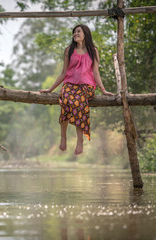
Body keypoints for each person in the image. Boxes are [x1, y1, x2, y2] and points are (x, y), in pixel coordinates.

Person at [39, 24, 113, 155]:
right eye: (74, 32)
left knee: (78, 103)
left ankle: (80, 141)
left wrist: (103, 89)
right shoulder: (69, 50)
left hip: (87, 86)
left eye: (78, 31)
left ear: (85, 34)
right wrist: (50, 89)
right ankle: (63, 137)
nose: (75, 34)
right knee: (66, 100)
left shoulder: (93, 51)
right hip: (70, 84)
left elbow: (96, 72)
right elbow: (63, 73)